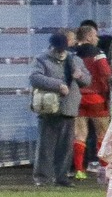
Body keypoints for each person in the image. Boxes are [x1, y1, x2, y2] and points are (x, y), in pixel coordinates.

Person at [30, 29, 86, 186]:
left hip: (69, 108)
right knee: (45, 146)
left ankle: (62, 177)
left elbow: (87, 80)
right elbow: (35, 78)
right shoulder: (41, 59)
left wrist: (80, 76)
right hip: (49, 108)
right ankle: (43, 178)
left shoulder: (75, 60)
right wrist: (58, 85)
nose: (60, 52)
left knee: (66, 147)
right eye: (58, 49)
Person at [72, 21, 112, 177]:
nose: (97, 38)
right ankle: (104, 168)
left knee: (80, 134)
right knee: (102, 133)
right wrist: (107, 93)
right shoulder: (98, 53)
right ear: (88, 36)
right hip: (96, 98)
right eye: (95, 35)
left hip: (78, 98)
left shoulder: (72, 53)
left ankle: (79, 170)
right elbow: (105, 74)